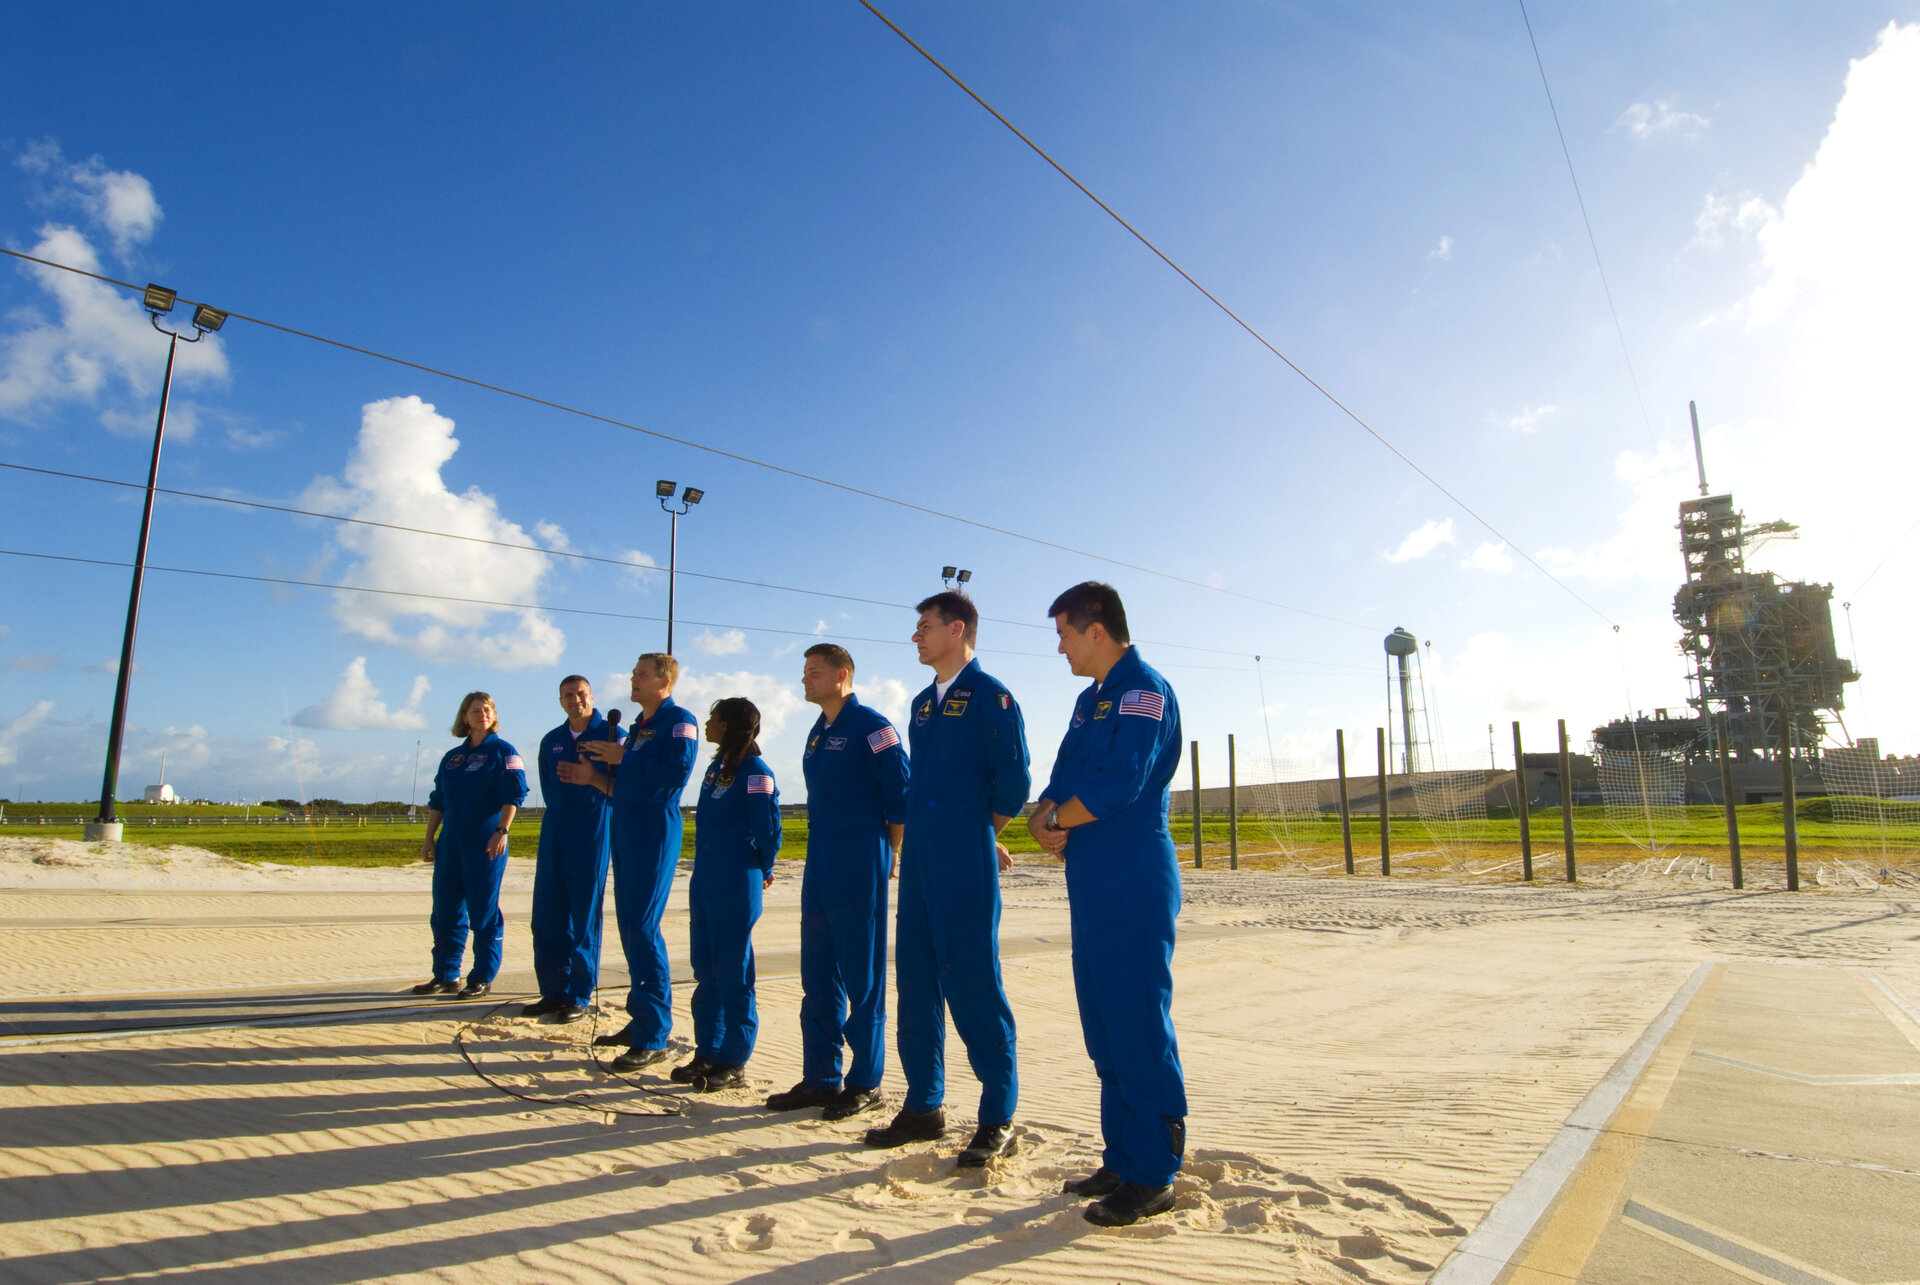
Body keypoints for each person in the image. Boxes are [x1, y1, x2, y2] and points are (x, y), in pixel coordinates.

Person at [1026, 581, 1188, 1227]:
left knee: (1138, 1024)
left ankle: (1154, 1173)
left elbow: (1122, 781)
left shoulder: (1143, 690)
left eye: (1063, 633)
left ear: (1096, 630)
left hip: (1131, 874)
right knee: (1104, 1023)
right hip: (1090, 876)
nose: (1060, 647)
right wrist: (1045, 813)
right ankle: (1122, 1155)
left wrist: (1056, 818)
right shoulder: (1088, 701)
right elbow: (1064, 775)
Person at [866, 591, 1030, 1168]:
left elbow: (1014, 780)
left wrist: (977, 833)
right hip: (920, 862)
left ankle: (998, 1114)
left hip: (963, 859)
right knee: (914, 979)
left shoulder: (992, 696)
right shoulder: (920, 704)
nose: (916, 636)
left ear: (956, 630)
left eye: (925, 627)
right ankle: (924, 1103)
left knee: (972, 981)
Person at [765, 643, 909, 1121]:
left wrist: (892, 851)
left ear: (843, 675)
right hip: (821, 862)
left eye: (815, 671)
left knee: (861, 973)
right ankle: (821, 1077)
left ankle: (865, 1080)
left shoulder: (873, 727)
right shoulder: (816, 732)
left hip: (860, 859)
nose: (805, 679)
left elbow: (900, 793)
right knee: (819, 972)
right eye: (804, 671)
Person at [576, 653, 700, 1073]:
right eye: (633, 674)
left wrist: (623, 756)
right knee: (629, 925)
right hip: (625, 826)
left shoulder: (680, 720)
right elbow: (626, 782)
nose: (633, 679)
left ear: (664, 682)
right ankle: (640, 1016)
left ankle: (654, 1034)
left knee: (644, 928)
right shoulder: (637, 728)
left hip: (654, 829)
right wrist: (595, 776)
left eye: (641, 674)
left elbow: (677, 772)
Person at [680, 697, 782, 1091]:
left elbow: (768, 828)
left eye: (713, 719)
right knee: (705, 969)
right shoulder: (715, 768)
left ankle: (734, 1058)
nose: (707, 724)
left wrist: (765, 867)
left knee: (733, 970)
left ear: (729, 726)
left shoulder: (757, 771)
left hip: (737, 879)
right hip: (704, 876)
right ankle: (707, 1050)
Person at [412, 691, 529, 1001]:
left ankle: (481, 976)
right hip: (451, 841)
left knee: (483, 910)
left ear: (494, 715)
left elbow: (514, 795)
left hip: (486, 839)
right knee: (445, 909)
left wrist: (502, 830)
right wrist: (429, 838)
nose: (482, 714)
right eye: (475, 710)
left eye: (488, 709)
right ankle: (446, 974)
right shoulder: (452, 758)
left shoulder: (504, 752)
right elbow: (438, 800)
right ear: (464, 717)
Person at [524, 675, 617, 1024]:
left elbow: (624, 787)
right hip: (556, 829)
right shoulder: (552, 741)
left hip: (592, 829)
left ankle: (579, 994)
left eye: (580, 694)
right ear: (560, 701)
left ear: (592, 696)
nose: (575, 699)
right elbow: (549, 785)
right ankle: (553, 991)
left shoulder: (611, 736)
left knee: (584, 914)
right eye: (568, 695)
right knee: (547, 913)